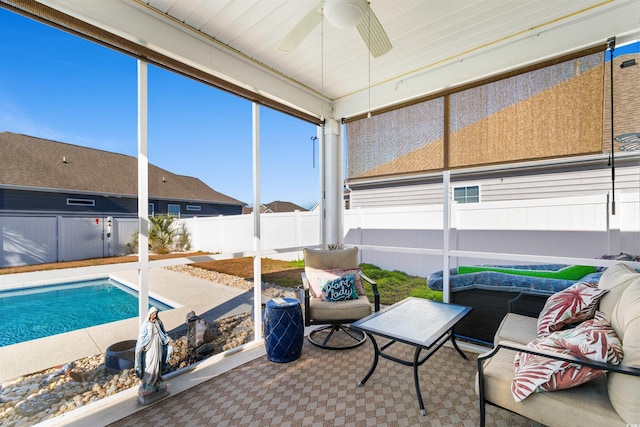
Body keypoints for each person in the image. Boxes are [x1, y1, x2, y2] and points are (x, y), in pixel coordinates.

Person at [134, 306, 173, 398]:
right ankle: (148, 382)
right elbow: (141, 337)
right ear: (150, 314)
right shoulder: (146, 324)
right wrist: (140, 346)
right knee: (150, 363)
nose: (154, 315)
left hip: (158, 345)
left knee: (157, 363)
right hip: (149, 347)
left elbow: (163, 334)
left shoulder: (158, 322)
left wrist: (168, 340)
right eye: (153, 314)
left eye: (156, 313)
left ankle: (157, 380)